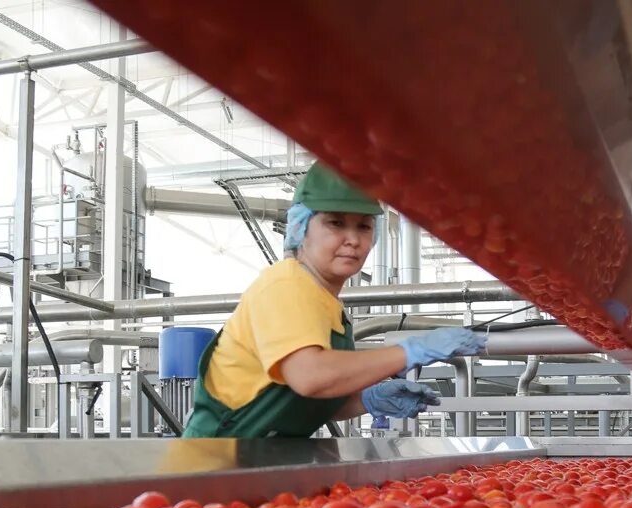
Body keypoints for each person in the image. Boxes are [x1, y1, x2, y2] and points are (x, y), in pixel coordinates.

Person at [182, 163, 486, 438]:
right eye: (336, 223)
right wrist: (411, 350)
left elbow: (308, 399)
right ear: (301, 229)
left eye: (363, 226)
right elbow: (310, 376)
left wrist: (368, 399)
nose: (352, 239)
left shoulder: (328, 307)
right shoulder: (285, 286)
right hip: (215, 466)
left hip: (262, 465)